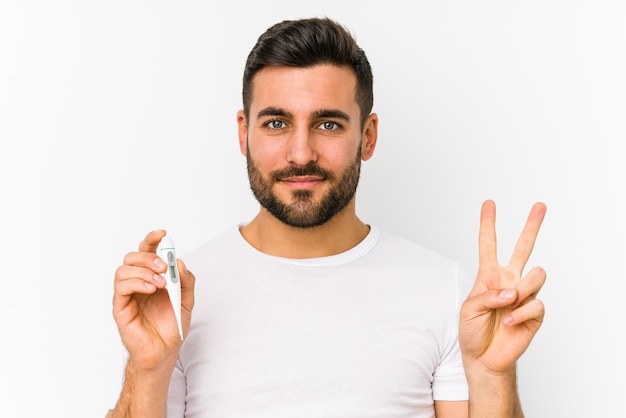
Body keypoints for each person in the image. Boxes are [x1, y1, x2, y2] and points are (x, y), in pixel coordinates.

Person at [107, 17, 547, 418]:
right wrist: (148, 369)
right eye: (277, 123)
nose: (301, 153)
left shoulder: (444, 290)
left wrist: (491, 378)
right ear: (244, 133)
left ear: (368, 137)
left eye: (328, 124)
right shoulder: (178, 297)